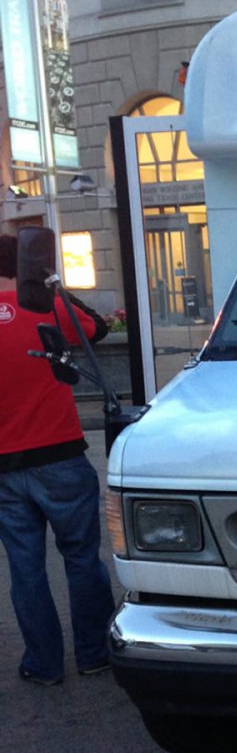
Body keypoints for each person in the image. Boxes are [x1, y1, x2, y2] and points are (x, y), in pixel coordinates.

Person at [0, 233, 116, 685]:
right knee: (82, 558)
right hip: (61, 457)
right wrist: (56, 288)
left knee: (24, 567)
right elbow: (99, 328)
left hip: (5, 468)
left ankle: (43, 664)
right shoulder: (45, 305)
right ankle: (93, 654)